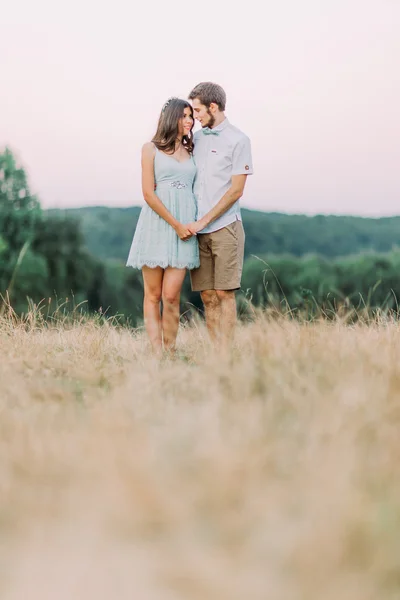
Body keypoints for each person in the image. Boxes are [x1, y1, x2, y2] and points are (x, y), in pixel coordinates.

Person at [126, 98, 199, 356]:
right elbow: (148, 193)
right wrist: (174, 224)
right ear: (171, 118)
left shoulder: (193, 151)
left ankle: (170, 349)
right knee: (153, 294)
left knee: (171, 295)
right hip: (157, 224)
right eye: (184, 116)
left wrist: (186, 226)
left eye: (191, 115)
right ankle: (157, 352)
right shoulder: (150, 149)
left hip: (186, 228)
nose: (190, 121)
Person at [187, 82, 253, 346]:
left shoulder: (239, 140)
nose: (195, 116)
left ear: (213, 107)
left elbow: (236, 191)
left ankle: (226, 354)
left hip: (225, 227)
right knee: (206, 295)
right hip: (196, 231)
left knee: (225, 294)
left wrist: (205, 220)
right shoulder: (196, 138)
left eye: (198, 110)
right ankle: (215, 350)